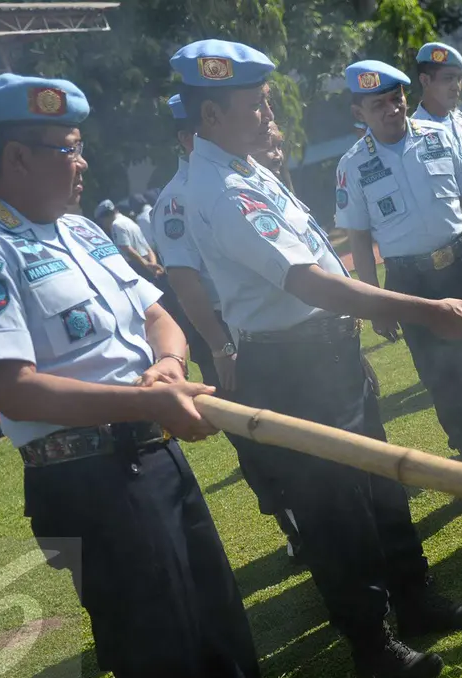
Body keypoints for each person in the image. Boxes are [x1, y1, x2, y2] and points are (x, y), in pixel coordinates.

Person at [174, 39, 462, 678]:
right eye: (255, 106)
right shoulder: (219, 188)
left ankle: (415, 600)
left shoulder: (245, 169)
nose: (268, 115)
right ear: (210, 117)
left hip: (325, 356)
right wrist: (421, 309)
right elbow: (310, 282)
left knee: (381, 483)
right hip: (290, 370)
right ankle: (372, 645)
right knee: (335, 512)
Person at [0, 73, 262, 678]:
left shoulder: (83, 230)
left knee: (221, 625)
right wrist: (148, 400)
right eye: (67, 147)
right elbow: (14, 390)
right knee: (165, 657)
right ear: (16, 157)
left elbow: (158, 315)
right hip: (89, 481)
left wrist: (170, 367)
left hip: (155, 453)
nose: (82, 161)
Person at [335, 60, 462, 473]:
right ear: (359, 113)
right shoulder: (351, 166)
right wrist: (376, 304)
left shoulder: (440, 136)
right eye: (378, 105)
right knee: (441, 375)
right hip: (410, 281)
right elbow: (358, 239)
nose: (392, 109)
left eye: (396, 99)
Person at [152, 94, 304, 561]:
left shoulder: (245, 172)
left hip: (265, 321)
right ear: (185, 138)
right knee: (253, 430)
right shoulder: (176, 200)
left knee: (295, 417)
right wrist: (220, 346)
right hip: (221, 330)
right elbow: (184, 282)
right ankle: (294, 525)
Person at [412, 42, 462, 171]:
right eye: (448, 78)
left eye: (459, 79)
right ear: (425, 81)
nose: (456, 86)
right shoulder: (412, 135)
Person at [94, 198, 164, 280]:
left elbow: (126, 248)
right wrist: (153, 264)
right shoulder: (130, 222)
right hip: (146, 264)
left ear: (104, 217)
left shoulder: (116, 225)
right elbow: (148, 249)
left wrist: (146, 265)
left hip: (135, 266)